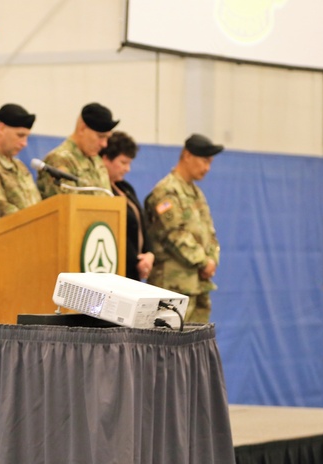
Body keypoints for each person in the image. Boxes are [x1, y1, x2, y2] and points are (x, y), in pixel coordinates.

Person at [0, 103, 42, 321]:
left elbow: (39, 207)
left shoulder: (20, 168)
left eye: (27, 136)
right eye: (20, 135)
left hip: (24, 257)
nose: (24, 143)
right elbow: (0, 210)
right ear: (1, 128)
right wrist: (40, 223)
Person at [144, 133, 224, 323]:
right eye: (204, 160)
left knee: (195, 347)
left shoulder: (196, 193)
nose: (207, 168)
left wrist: (213, 259)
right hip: (172, 287)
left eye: (210, 162)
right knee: (167, 347)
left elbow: (209, 232)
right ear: (187, 155)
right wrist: (203, 262)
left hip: (197, 285)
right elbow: (174, 234)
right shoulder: (167, 191)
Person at [101, 131, 154, 282]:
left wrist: (149, 254)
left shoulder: (126, 188)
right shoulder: (102, 193)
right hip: (117, 271)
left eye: (129, 163)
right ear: (105, 159)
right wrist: (136, 261)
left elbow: (142, 224)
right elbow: (116, 232)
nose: (127, 169)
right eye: (123, 163)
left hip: (135, 272)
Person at [36, 102, 118, 199]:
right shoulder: (60, 159)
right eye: (100, 137)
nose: (104, 144)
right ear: (82, 129)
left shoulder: (96, 160)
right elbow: (65, 205)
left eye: (107, 138)